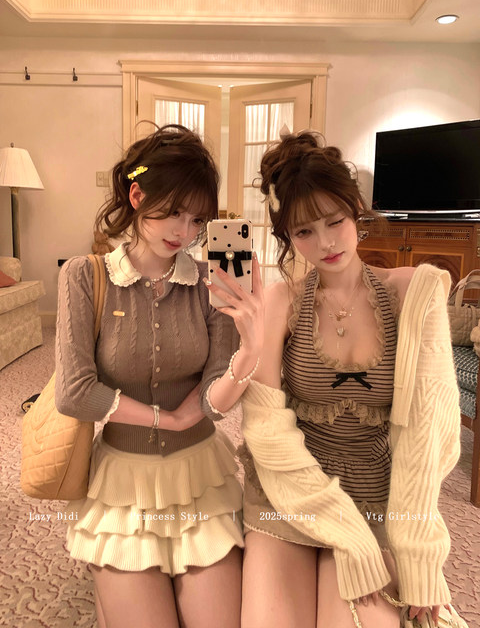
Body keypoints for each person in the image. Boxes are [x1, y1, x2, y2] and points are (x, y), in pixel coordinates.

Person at [239, 130, 461, 627]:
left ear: (356, 209)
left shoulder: (413, 291)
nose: (325, 242)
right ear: (287, 237)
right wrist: (340, 526)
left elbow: (428, 431)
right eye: (304, 232)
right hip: (292, 491)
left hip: (377, 494)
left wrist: (418, 553)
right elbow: (265, 428)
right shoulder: (281, 300)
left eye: (335, 221)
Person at [54, 124, 263, 628]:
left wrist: (251, 346)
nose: (184, 231)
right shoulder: (85, 276)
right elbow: (73, 392)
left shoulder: (209, 282)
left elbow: (217, 387)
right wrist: (164, 419)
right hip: (122, 486)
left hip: (200, 479)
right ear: (136, 195)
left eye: (197, 219)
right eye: (172, 212)